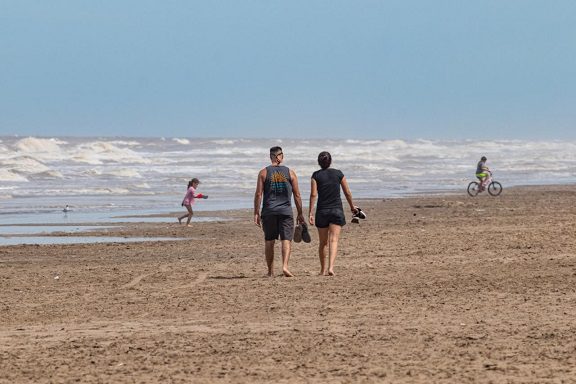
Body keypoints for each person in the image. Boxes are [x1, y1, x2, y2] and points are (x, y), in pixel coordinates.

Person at [254, 146, 305, 277]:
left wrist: (256, 212)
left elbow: (258, 194)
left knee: (269, 241)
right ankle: (285, 267)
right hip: (286, 211)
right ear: (279, 157)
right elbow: (297, 195)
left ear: (270, 156)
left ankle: (270, 271)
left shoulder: (263, 173)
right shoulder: (290, 173)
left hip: (269, 211)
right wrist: (300, 213)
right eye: (282, 155)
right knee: (286, 240)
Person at [308, 151, 359, 276]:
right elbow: (347, 192)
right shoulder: (338, 174)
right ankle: (331, 268)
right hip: (336, 210)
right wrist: (352, 207)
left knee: (323, 242)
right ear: (330, 161)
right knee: (334, 240)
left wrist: (310, 212)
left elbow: (314, 194)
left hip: (322, 211)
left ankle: (322, 270)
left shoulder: (316, 175)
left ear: (319, 162)